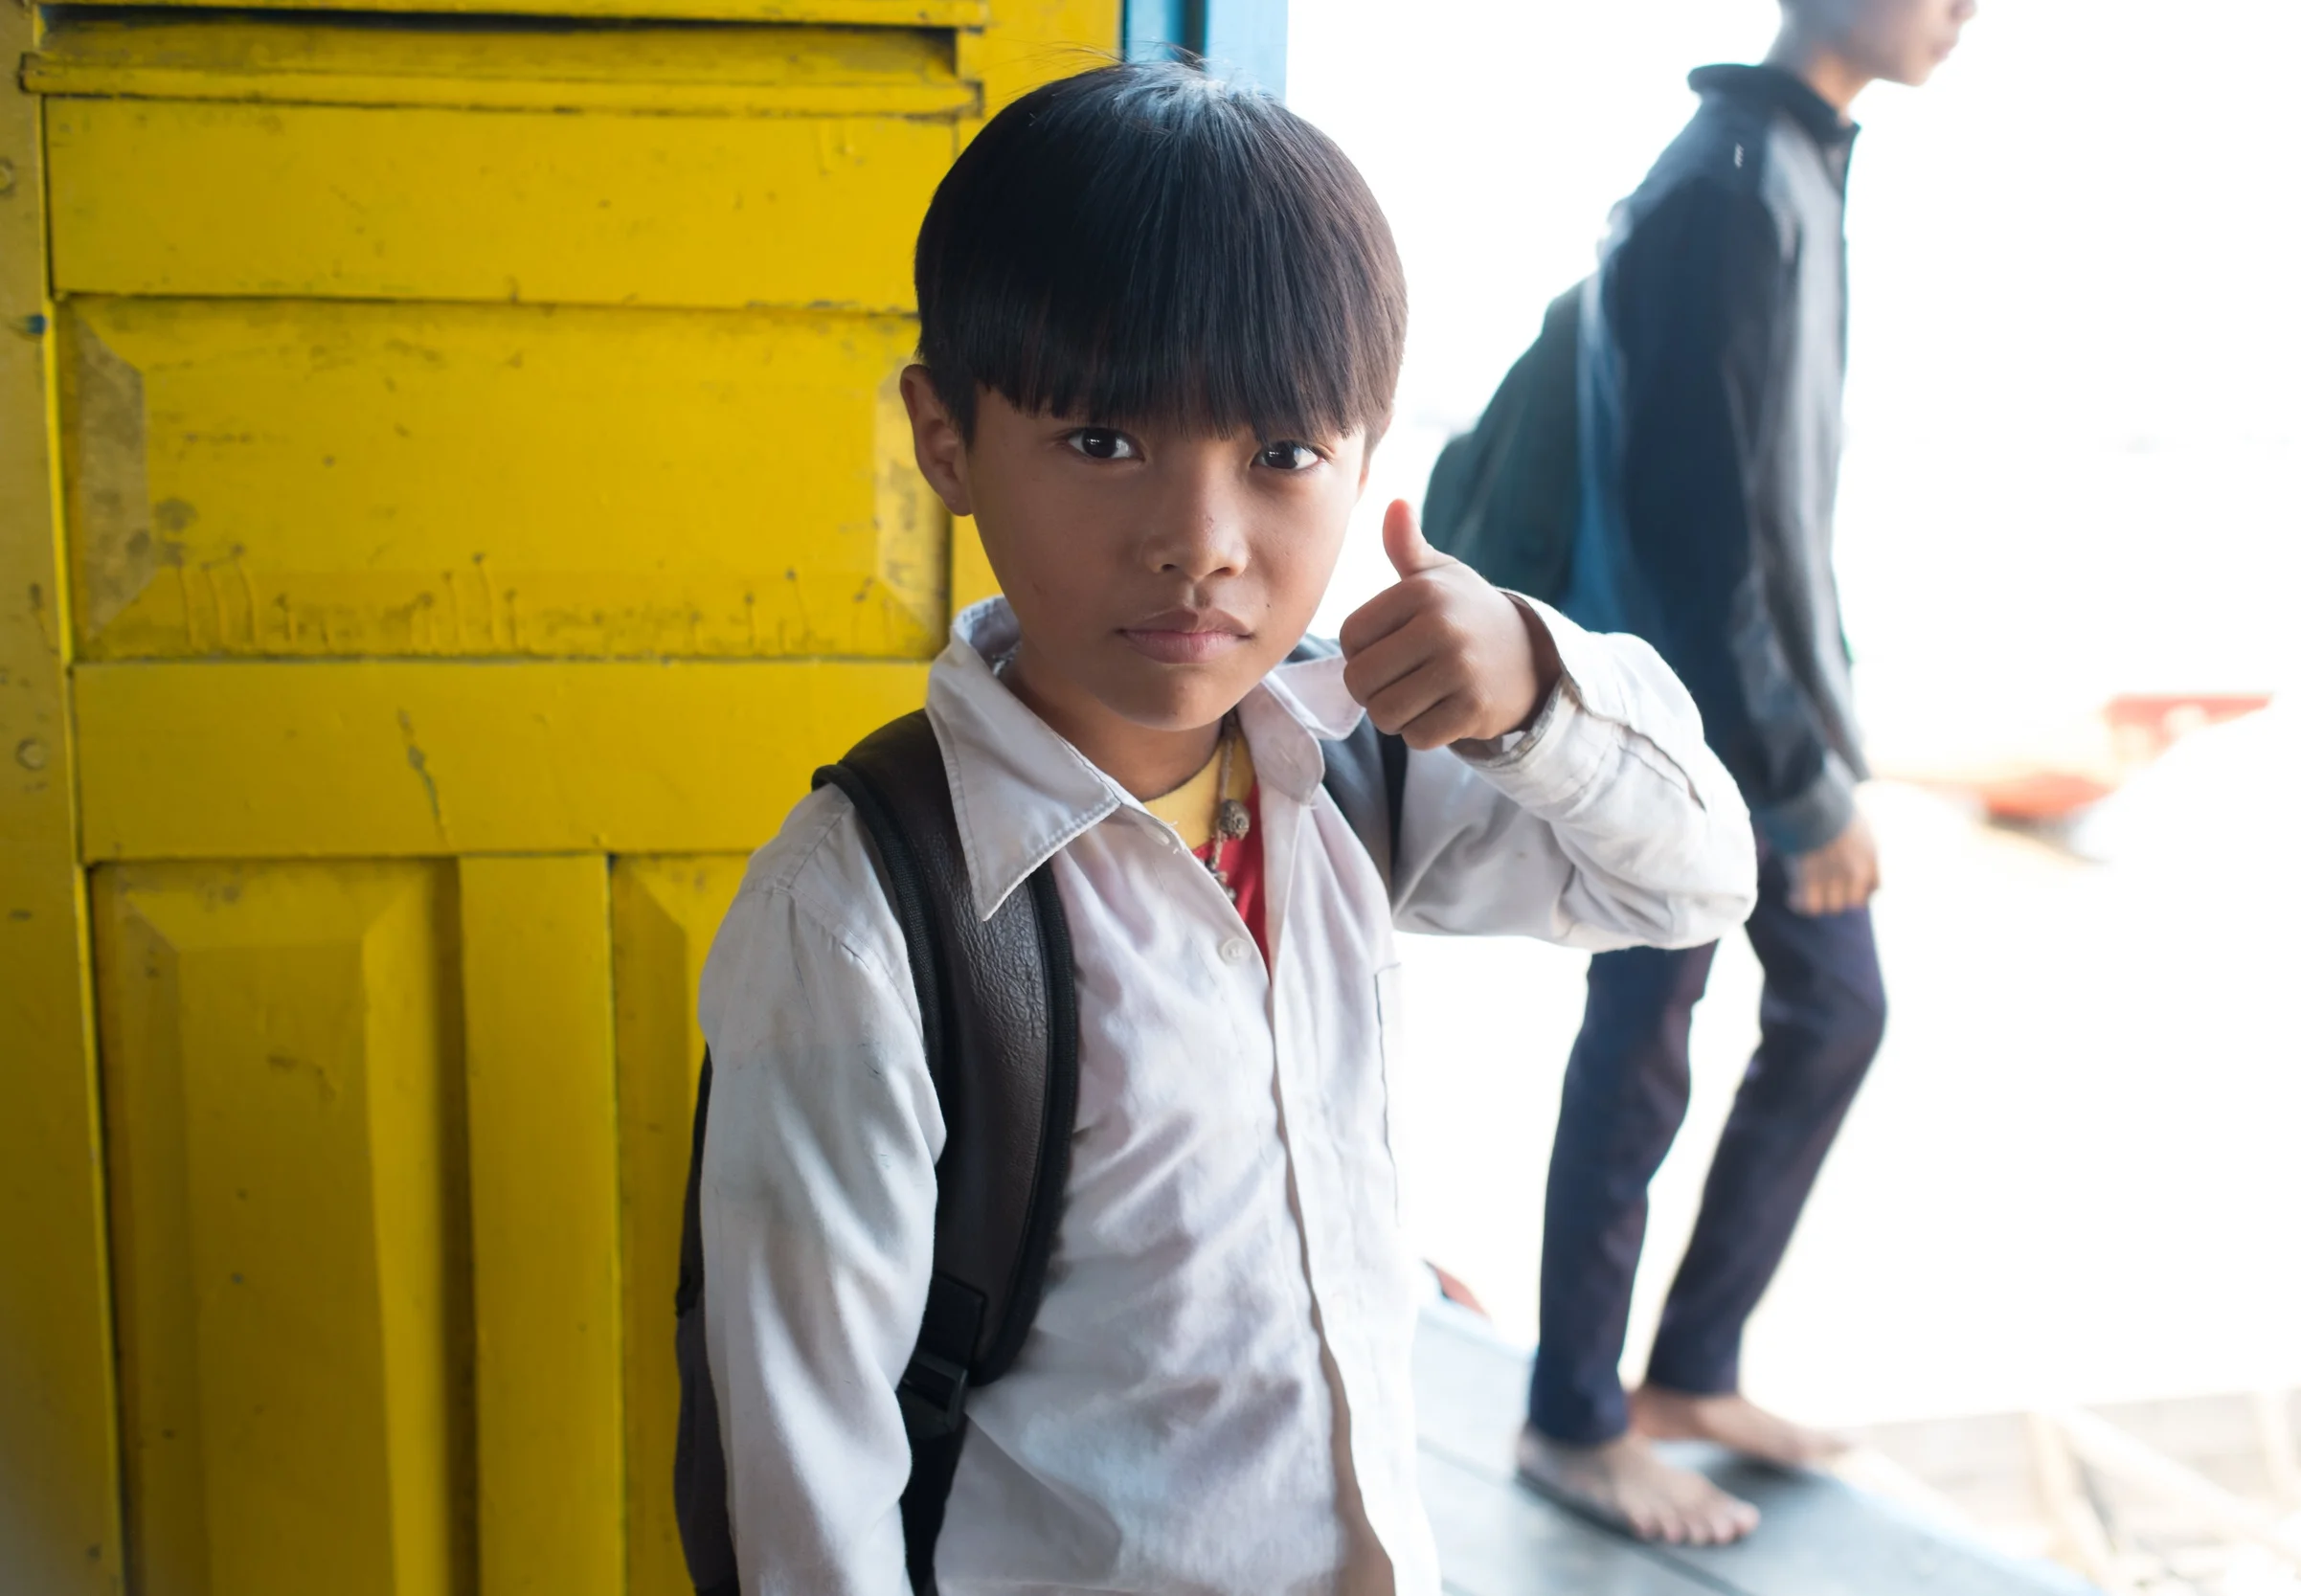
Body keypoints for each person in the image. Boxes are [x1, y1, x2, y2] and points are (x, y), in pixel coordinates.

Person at [695, 61, 1757, 1594]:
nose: (1201, 544)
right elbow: (807, 1493)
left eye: (1279, 455)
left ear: (1366, 458)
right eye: (1105, 442)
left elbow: (1696, 878)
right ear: (945, 436)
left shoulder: (1347, 773)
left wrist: (1536, 688)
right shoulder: (863, 917)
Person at [1515, 0, 1979, 1547]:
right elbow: (1706, 520)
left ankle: (1685, 1372)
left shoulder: (1781, 162)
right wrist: (1799, 780)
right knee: (1649, 1036)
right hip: (1692, 721)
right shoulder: (1731, 175)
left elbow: (1774, 510)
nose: (1970, 9)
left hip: (1735, 712)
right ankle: (1577, 1417)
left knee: (1805, 1012)